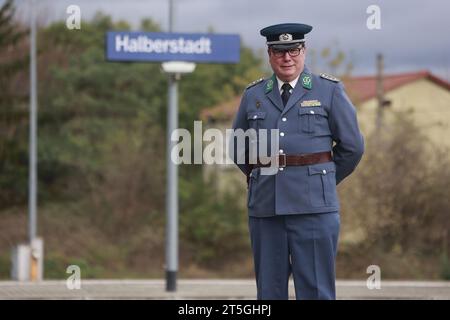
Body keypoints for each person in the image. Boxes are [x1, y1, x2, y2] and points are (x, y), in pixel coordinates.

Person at [230, 23, 364, 299]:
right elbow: (238, 149)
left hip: (314, 209)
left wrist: (321, 178)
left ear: (304, 51)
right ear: (269, 54)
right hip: (267, 208)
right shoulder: (253, 95)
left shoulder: (328, 90)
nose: (287, 57)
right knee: (269, 292)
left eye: (293, 50)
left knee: (316, 291)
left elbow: (352, 147)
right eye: (279, 51)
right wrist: (266, 176)